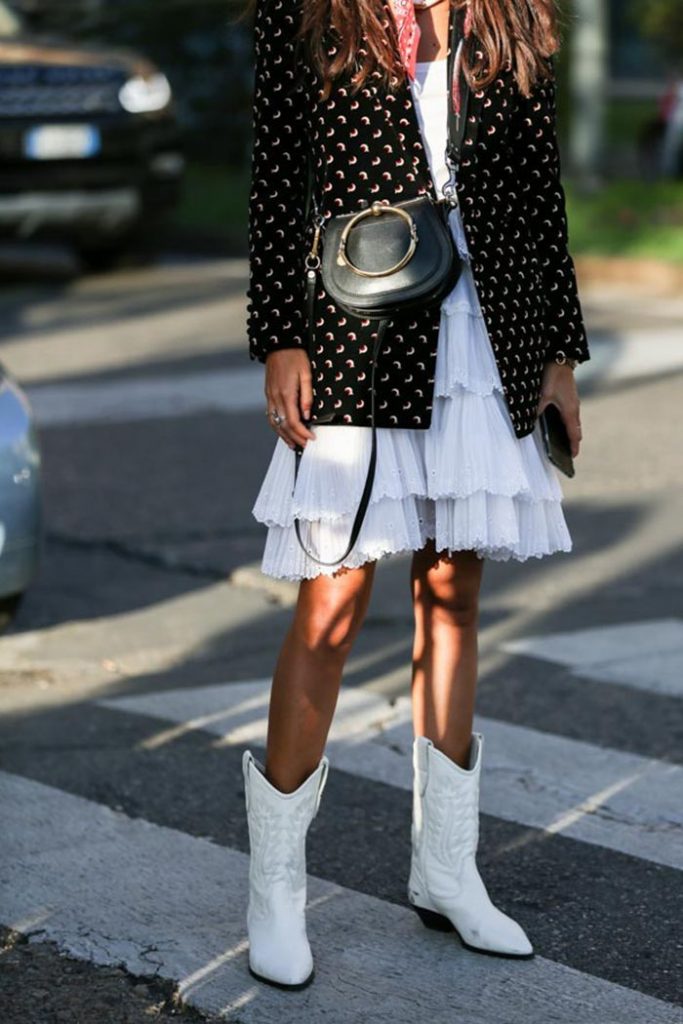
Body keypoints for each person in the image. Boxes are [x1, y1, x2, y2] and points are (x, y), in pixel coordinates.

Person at [242, 0, 590, 989]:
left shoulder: (508, 12)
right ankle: (275, 889)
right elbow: (277, 179)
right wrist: (279, 337)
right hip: (358, 324)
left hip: (484, 332)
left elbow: (536, 188)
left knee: (453, 595)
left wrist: (558, 355)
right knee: (330, 600)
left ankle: (445, 869)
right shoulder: (307, 10)